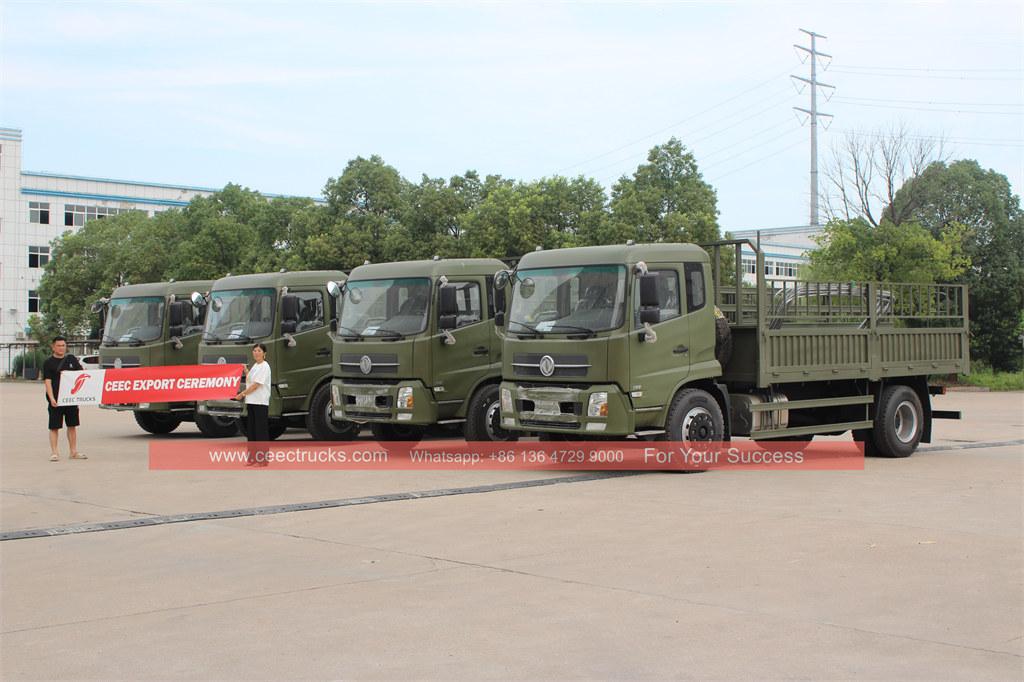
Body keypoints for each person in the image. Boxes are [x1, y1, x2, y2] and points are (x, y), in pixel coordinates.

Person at [43, 336, 87, 462]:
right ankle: (54, 452)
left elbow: (81, 375)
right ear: (53, 347)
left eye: (63, 345)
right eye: (59, 345)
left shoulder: (71, 359)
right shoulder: (48, 363)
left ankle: (73, 452)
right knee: (54, 427)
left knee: (72, 425)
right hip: (56, 400)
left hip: (71, 399)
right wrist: (51, 398)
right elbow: (47, 381)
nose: (61, 348)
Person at [233, 343, 271, 465]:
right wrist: (246, 370)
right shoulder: (255, 366)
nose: (256, 353)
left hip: (260, 402)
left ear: (264, 353)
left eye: (259, 351)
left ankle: (262, 459)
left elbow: (256, 385)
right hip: (252, 401)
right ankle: (252, 458)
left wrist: (242, 394)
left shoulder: (265, 366)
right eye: (254, 351)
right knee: (252, 431)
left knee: (261, 431)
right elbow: (250, 379)